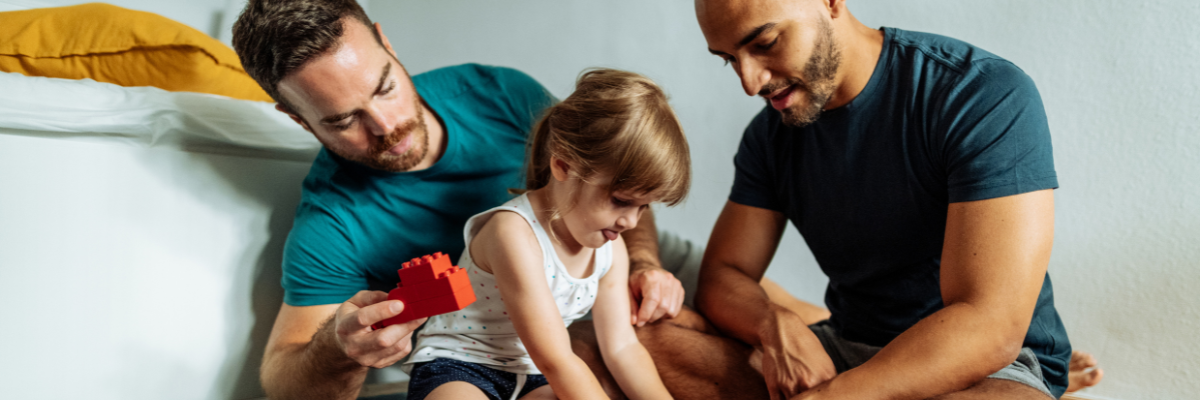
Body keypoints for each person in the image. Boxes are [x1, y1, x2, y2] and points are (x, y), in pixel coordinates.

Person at [623, 0, 1104, 399]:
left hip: (990, 368)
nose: (749, 81)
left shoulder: (979, 93)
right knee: (631, 344)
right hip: (847, 346)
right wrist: (775, 325)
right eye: (729, 58)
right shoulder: (769, 136)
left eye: (764, 43)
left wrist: (836, 396)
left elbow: (990, 326)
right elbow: (724, 277)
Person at [230, 1, 688, 398]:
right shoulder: (332, 222)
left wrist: (646, 261)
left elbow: (620, 174)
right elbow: (283, 376)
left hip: (595, 280)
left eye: (385, 86)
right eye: (344, 119)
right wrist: (339, 346)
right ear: (299, 119)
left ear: (387, 44)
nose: (385, 125)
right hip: (479, 355)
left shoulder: (503, 94)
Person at [405, 68, 685, 400]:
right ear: (563, 165)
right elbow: (556, 359)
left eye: (644, 207)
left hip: (532, 375)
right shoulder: (513, 234)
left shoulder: (612, 250)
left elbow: (622, 348)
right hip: (461, 366)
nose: (631, 222)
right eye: (621, 201)